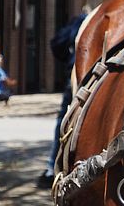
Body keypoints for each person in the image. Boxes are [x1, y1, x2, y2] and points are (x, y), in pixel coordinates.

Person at [37, 12, 88, 189]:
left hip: (76, 76)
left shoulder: (80, 20)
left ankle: (52, 167)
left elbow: (57, 43)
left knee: (64, 120)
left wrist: (67, 61)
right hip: (95, 76)